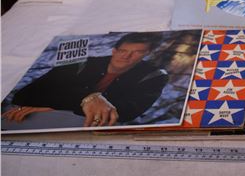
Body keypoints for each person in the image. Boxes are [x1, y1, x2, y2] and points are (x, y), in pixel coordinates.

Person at [2, 33, 168, 128]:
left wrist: (54, 104)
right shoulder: (79, 63)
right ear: (114, 50)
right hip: (42, 120)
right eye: (123, 50)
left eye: (137, 52)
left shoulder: (155, 75)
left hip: (91, 127)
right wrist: (89, 98)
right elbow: (24, 96)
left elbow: (127, 112)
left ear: (147, 54)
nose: (127, 56)